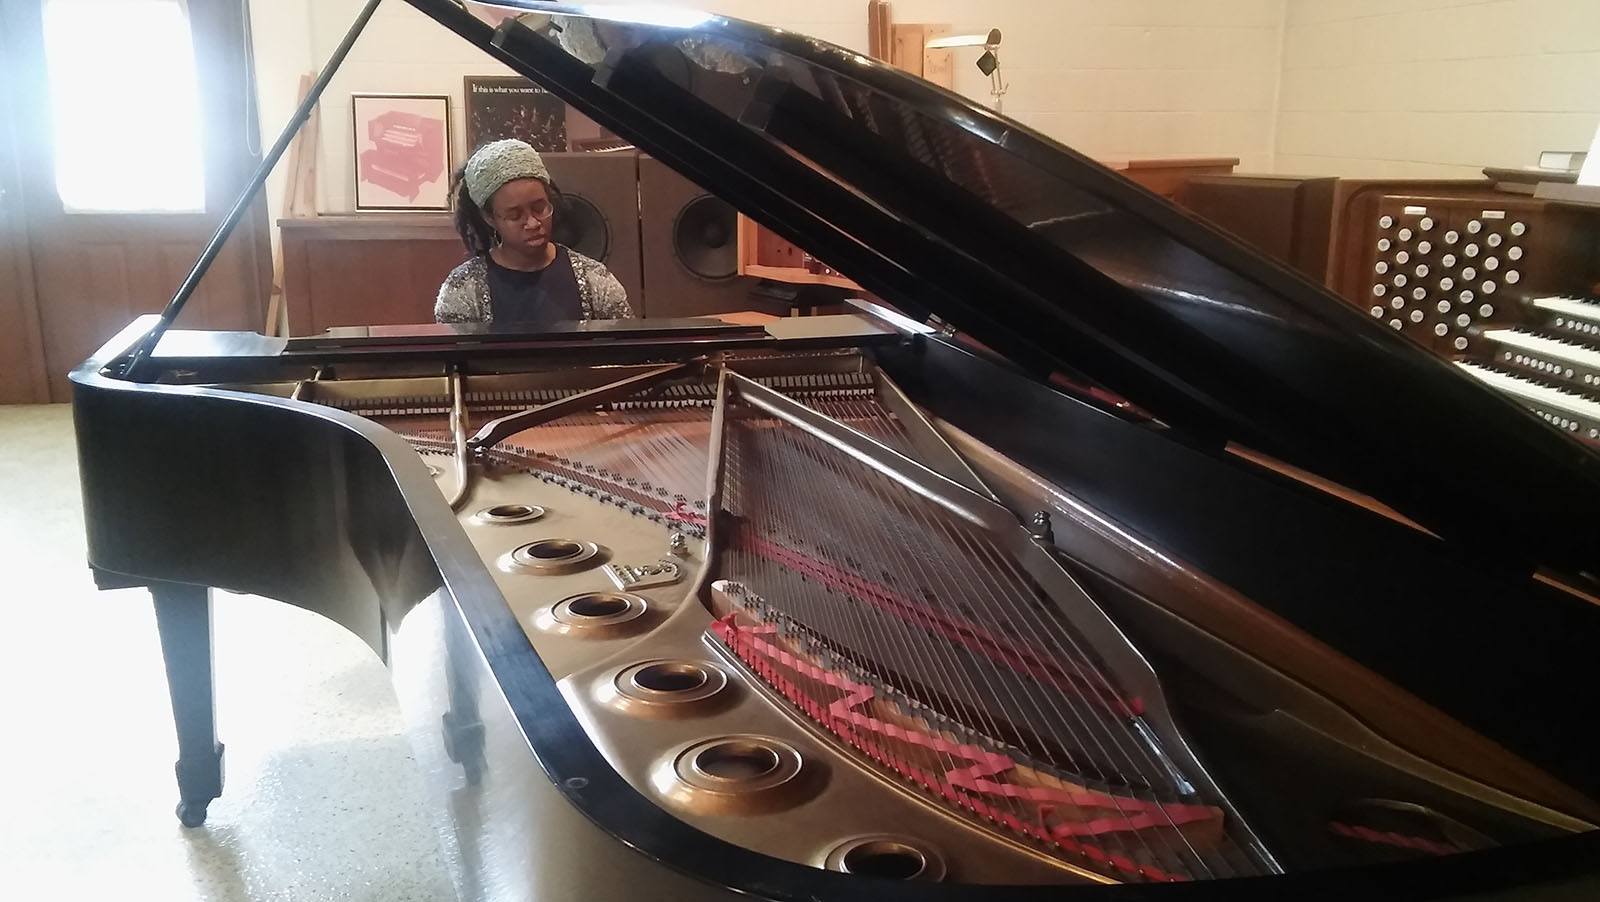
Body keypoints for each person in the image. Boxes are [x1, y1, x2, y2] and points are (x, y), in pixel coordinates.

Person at [435, 139, 633, 324]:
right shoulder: (462, 289)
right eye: (514, 215)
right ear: (490, 218)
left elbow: (628, 353)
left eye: (540, 209)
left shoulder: (595, 279)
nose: (532, 223)